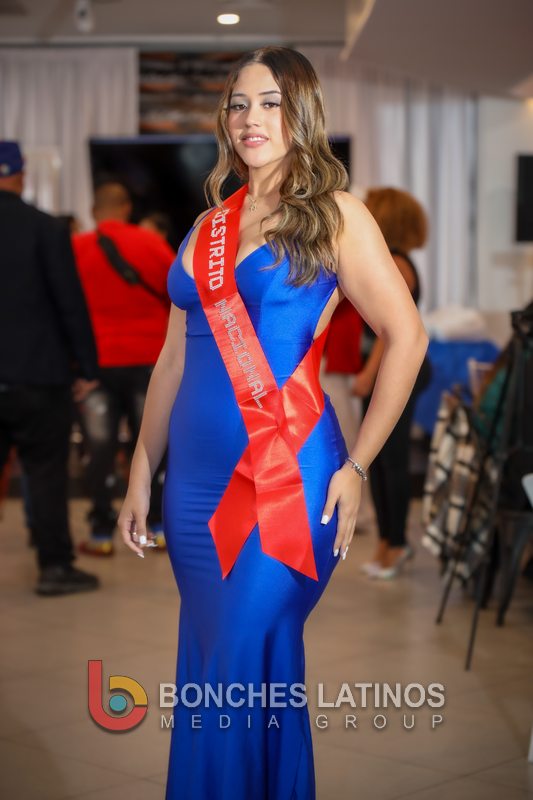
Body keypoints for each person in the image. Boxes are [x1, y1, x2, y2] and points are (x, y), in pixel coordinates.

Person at [118, 48, 428, 798]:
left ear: (302, 114)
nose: (249, 118)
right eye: (238, 103)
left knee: (242, 651)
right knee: (212, 663)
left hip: (284, 476)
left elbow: (407, 337)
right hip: (193, 487)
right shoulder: (206, 227)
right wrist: (140, 471)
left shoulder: (335, 214)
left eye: (270, 103)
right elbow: (171, 361)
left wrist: (358, 465)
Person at [0, 141, 100, 596]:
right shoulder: (44, 228)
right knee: (45, 475)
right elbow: (69, 302)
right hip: (39, 374)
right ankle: (54, 567)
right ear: (20, 175)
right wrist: (86, 365)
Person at [73, 183, 175, 554]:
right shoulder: (152, 244)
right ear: (127, 208)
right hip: (150, 360)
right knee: (153, 446)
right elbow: (180, 293)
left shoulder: (76, 248)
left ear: (94, 211)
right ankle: (158, 528)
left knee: (99, 450)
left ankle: (101, 535)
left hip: (96, 364)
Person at [355, 187, 432, 579]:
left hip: (397, 370)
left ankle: (397, 543)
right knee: (380, 459)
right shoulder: (389, 260)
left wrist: (369, 375)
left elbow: (393, 334)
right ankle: (387, 542)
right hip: (386, 368)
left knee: (393, 459)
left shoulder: (398, 264)